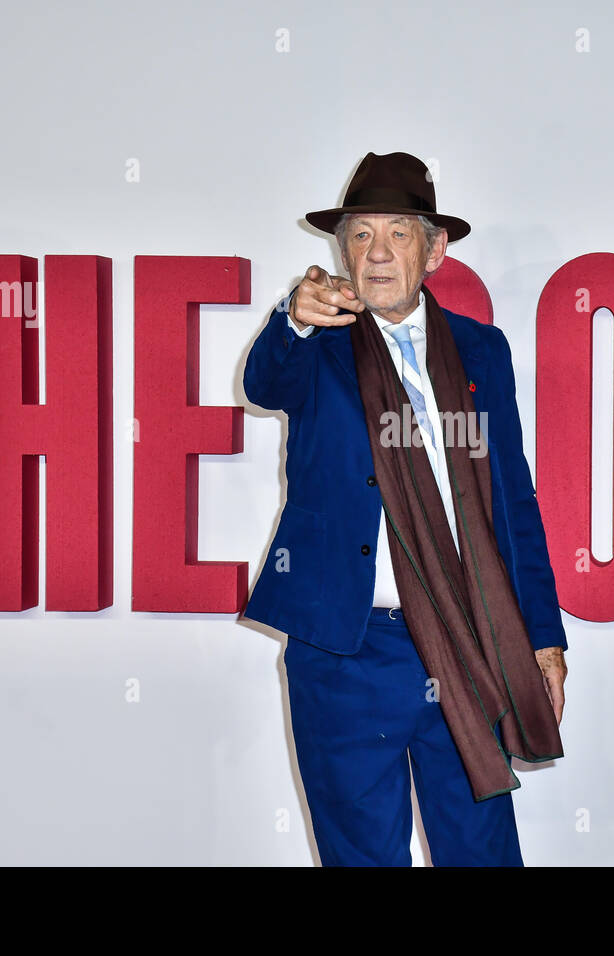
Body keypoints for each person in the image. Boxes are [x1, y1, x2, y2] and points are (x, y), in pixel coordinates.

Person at [241, 151, 567, 866]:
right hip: (345, 654)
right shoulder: (316, 341)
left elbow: (512, 496)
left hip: (465, 638)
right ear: (340, 249)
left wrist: (543, 635)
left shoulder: (481, 352)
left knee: (481, 852)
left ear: (435, 248)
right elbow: (266, 382)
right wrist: (291, 320)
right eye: (360, 235)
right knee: (360, 857)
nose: (377, 252)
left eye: (397, 232)